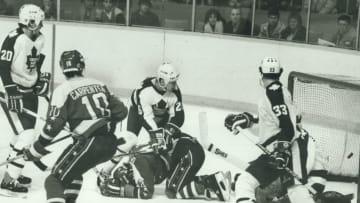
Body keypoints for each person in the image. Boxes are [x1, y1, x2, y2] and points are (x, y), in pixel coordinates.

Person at [97, 63, 231, 201]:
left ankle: (208, 183)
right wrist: (158, 136)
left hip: (178, 141)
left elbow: (178, 116)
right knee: (130, 139)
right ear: (161, 81)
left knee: (162, 151)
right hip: (139, 113)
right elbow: (146, 118)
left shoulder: (175, 91)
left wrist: (167, 132)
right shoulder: (144, 92)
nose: (174, 85)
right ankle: (108, 168)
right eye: (171, 82)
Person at [22, 49, 128, 203]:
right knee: (73, 174)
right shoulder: (99, 84)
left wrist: (37, 149)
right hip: (110, 143)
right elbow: (122, 112)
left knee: (53, 181)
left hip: (90, 143)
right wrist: (100, 120)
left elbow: (53, 126)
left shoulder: (62, 90)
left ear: (62, 68)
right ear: (82, 66)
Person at [224, 57, 327, 203]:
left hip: (292, 150)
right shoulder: (278, 93)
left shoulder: (274, 93)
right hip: (282, 151)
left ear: (261, 72)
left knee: (295, 191)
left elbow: (289, 129)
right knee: (245, 182)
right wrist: (246, 121)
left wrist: (281, 151)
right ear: (280, 73)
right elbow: (270, 127)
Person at [0, 4, 50, 197]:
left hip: (29, 93)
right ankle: (8, 181)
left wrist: (39, 81)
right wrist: (11, 90)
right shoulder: (14, 39)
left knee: (21, 135)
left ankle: (14, 169)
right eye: (39, 21)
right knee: (27, 135)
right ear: (31, 21)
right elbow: (2, 66)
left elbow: (36, 60)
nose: (42, 24)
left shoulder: (40, 38)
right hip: (12, 92)